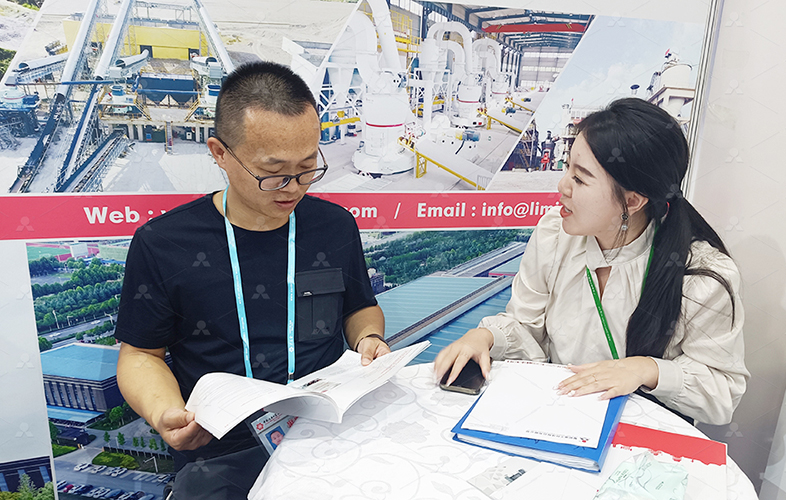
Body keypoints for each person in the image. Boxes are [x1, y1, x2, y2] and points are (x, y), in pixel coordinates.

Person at [114, 62, 389, 497]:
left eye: (307, 167)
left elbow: (359, 307)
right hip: (220, 448)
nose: (293, 187)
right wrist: (164, 410)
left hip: (328, 431)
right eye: (273, 172)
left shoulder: (334, 226)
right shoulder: (163, 243)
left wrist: (368, 338)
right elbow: (140, 354)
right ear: (220, 153)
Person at [434, 98, 749, 425]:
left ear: (633, 201)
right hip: (558, 419)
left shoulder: (701, 277)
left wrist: (646, 369)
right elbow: (527, 326)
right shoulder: (554, 234)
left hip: (638, 435)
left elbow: (722, 393)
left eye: (580, 179)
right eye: (567, 168)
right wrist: (485, 337)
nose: (562, 186)